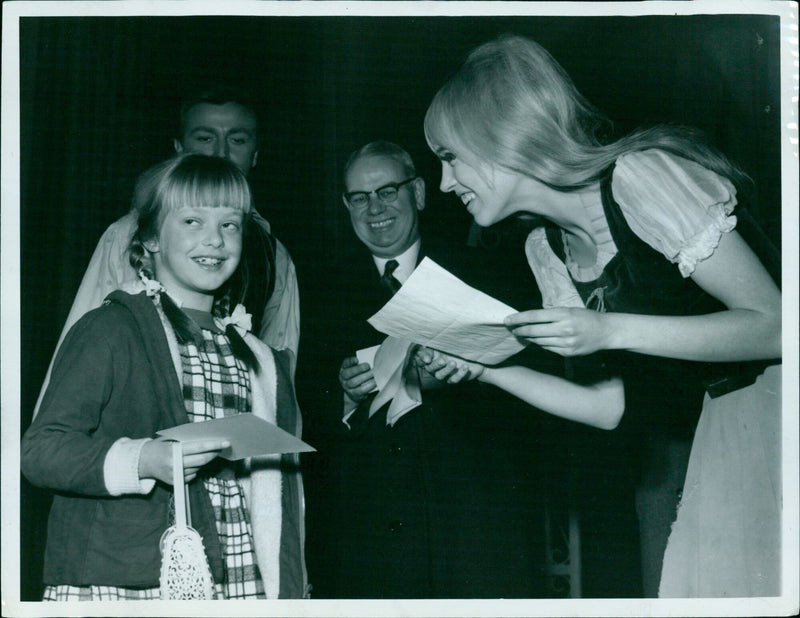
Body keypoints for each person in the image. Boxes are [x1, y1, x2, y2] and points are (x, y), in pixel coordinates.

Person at [423, 34, 782, 598]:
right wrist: (488, 369)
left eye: (450, 158)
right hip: (702, 444)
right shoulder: (545, 249)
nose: (445, 183)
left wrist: (608, 329)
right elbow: (609, 407)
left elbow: (776, 324)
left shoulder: (641, 177)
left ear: (502, 137)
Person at [21, 154, 308, 600]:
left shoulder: (261, 358)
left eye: (230, 225)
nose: (214, 239)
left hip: (236, 574)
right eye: (192, 221)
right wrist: (144, 460)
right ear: (151, 238)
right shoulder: (111, 329)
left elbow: (281, 496)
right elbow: (40, 451)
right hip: (129, 578)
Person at [302, 140, 547, 599]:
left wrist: (465, 371)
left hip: (471, 525)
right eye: (359, 197)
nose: (374, 207)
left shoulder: (486, 271)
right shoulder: (320, 286)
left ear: (418, 192)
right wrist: (345, 396)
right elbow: (302, 402)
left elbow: (531, 394)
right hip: (371, 537)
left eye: (387, 191)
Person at [32, 86, 300, 417]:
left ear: (256, 154)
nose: (219, 153)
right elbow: (75, 363)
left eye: (237, 140)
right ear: (177, 148)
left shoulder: (275, 254)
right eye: (204, 138)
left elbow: (278, 372)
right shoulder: (127, 234)